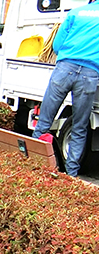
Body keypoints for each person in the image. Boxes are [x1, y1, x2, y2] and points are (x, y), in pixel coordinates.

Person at [30, 0, 99, 177]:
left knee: (44, 121)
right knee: (79, 126)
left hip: (64, 69)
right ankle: (72, 176)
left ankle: (33, 166)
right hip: (89, 75)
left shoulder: (76, 13)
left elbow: (57, 46)